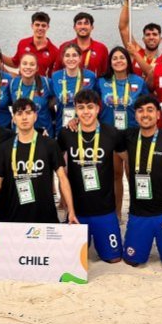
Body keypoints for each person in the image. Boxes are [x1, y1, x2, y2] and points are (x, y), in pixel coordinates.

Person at [0, 98, 78, 224]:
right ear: (13, 119)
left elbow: (62, 178)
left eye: (28, 113)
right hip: (14, 218)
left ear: (35, 116)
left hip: (46, 217)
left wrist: (71, 211)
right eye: (19, 114)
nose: (24, 118)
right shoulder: (5, 147)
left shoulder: (49, 144)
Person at [57, 90, 126, 263]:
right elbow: (59, 171)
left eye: (90, 107)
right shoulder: (66, 133)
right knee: (70, 259)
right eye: (80, 108)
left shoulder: (112, 133)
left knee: (114, 259)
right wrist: (65, 204)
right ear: (75, 110)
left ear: (98, 109)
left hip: (104, 210)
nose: (86, 112)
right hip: (77, 211)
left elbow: (130, 160)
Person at [119, 95, 162, 267]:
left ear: (158, 114)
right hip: (138, 214)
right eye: (140, 111)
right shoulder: (128, 137)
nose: (145, 114)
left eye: (150, 110)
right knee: (132, 261)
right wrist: (75, 122)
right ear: (135, 116)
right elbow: (100, 131)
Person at [96, 46, 148, 218]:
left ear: (128, 61)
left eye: (122, 58)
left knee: (133, 173)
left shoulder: (138, 81)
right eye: (115, 58)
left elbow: (147, 105)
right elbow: (92, 104)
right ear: (110, 62)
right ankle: (117, 212)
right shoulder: (102, 82)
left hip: (132, 133)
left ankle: (137, 210)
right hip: (109, 133)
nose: (118, 61)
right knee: (115, 175)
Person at [119, 0, 162, 77]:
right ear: (143, 39)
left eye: (155, 34)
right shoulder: (135, 50)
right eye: (148, 35)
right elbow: (123, 28)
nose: (151, 37)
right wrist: (127, 2)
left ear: (160, 39)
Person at [51, 43, 97, 135]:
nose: (71, 59)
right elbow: (50, 101)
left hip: (84, 126)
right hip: (62, 126)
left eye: (74, 55)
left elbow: (96, 102)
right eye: (67, 55)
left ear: (80, 58)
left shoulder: (90, 76)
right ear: (63, 59)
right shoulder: (55, 76)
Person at [9, 53, 55, 136]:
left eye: (32, 64)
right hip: (20, 133)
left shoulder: (47, 83)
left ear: (37, 68)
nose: (28, 67)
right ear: (19, 66)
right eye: (25, 63)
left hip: (43, 133)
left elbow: (57, 101)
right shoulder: (13, 83)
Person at [4, 11, 60, 77]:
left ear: (47, 27)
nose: (40, 28)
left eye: (43, 25)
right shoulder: (23, 43)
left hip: (41, 86)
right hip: (22, 84)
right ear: (32, 26)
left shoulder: (54, 51)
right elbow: (15, 63)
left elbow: (53, 76)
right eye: (37, 25)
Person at [53, 12, 109, 76]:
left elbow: (105, 74)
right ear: (74, 27)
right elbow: (56, 73)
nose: (82, 27)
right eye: (79, 23)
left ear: (92, 27)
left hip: (93, 85)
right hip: (69, 85)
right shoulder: (64, 47)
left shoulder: (101, 48)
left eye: (86, 23)